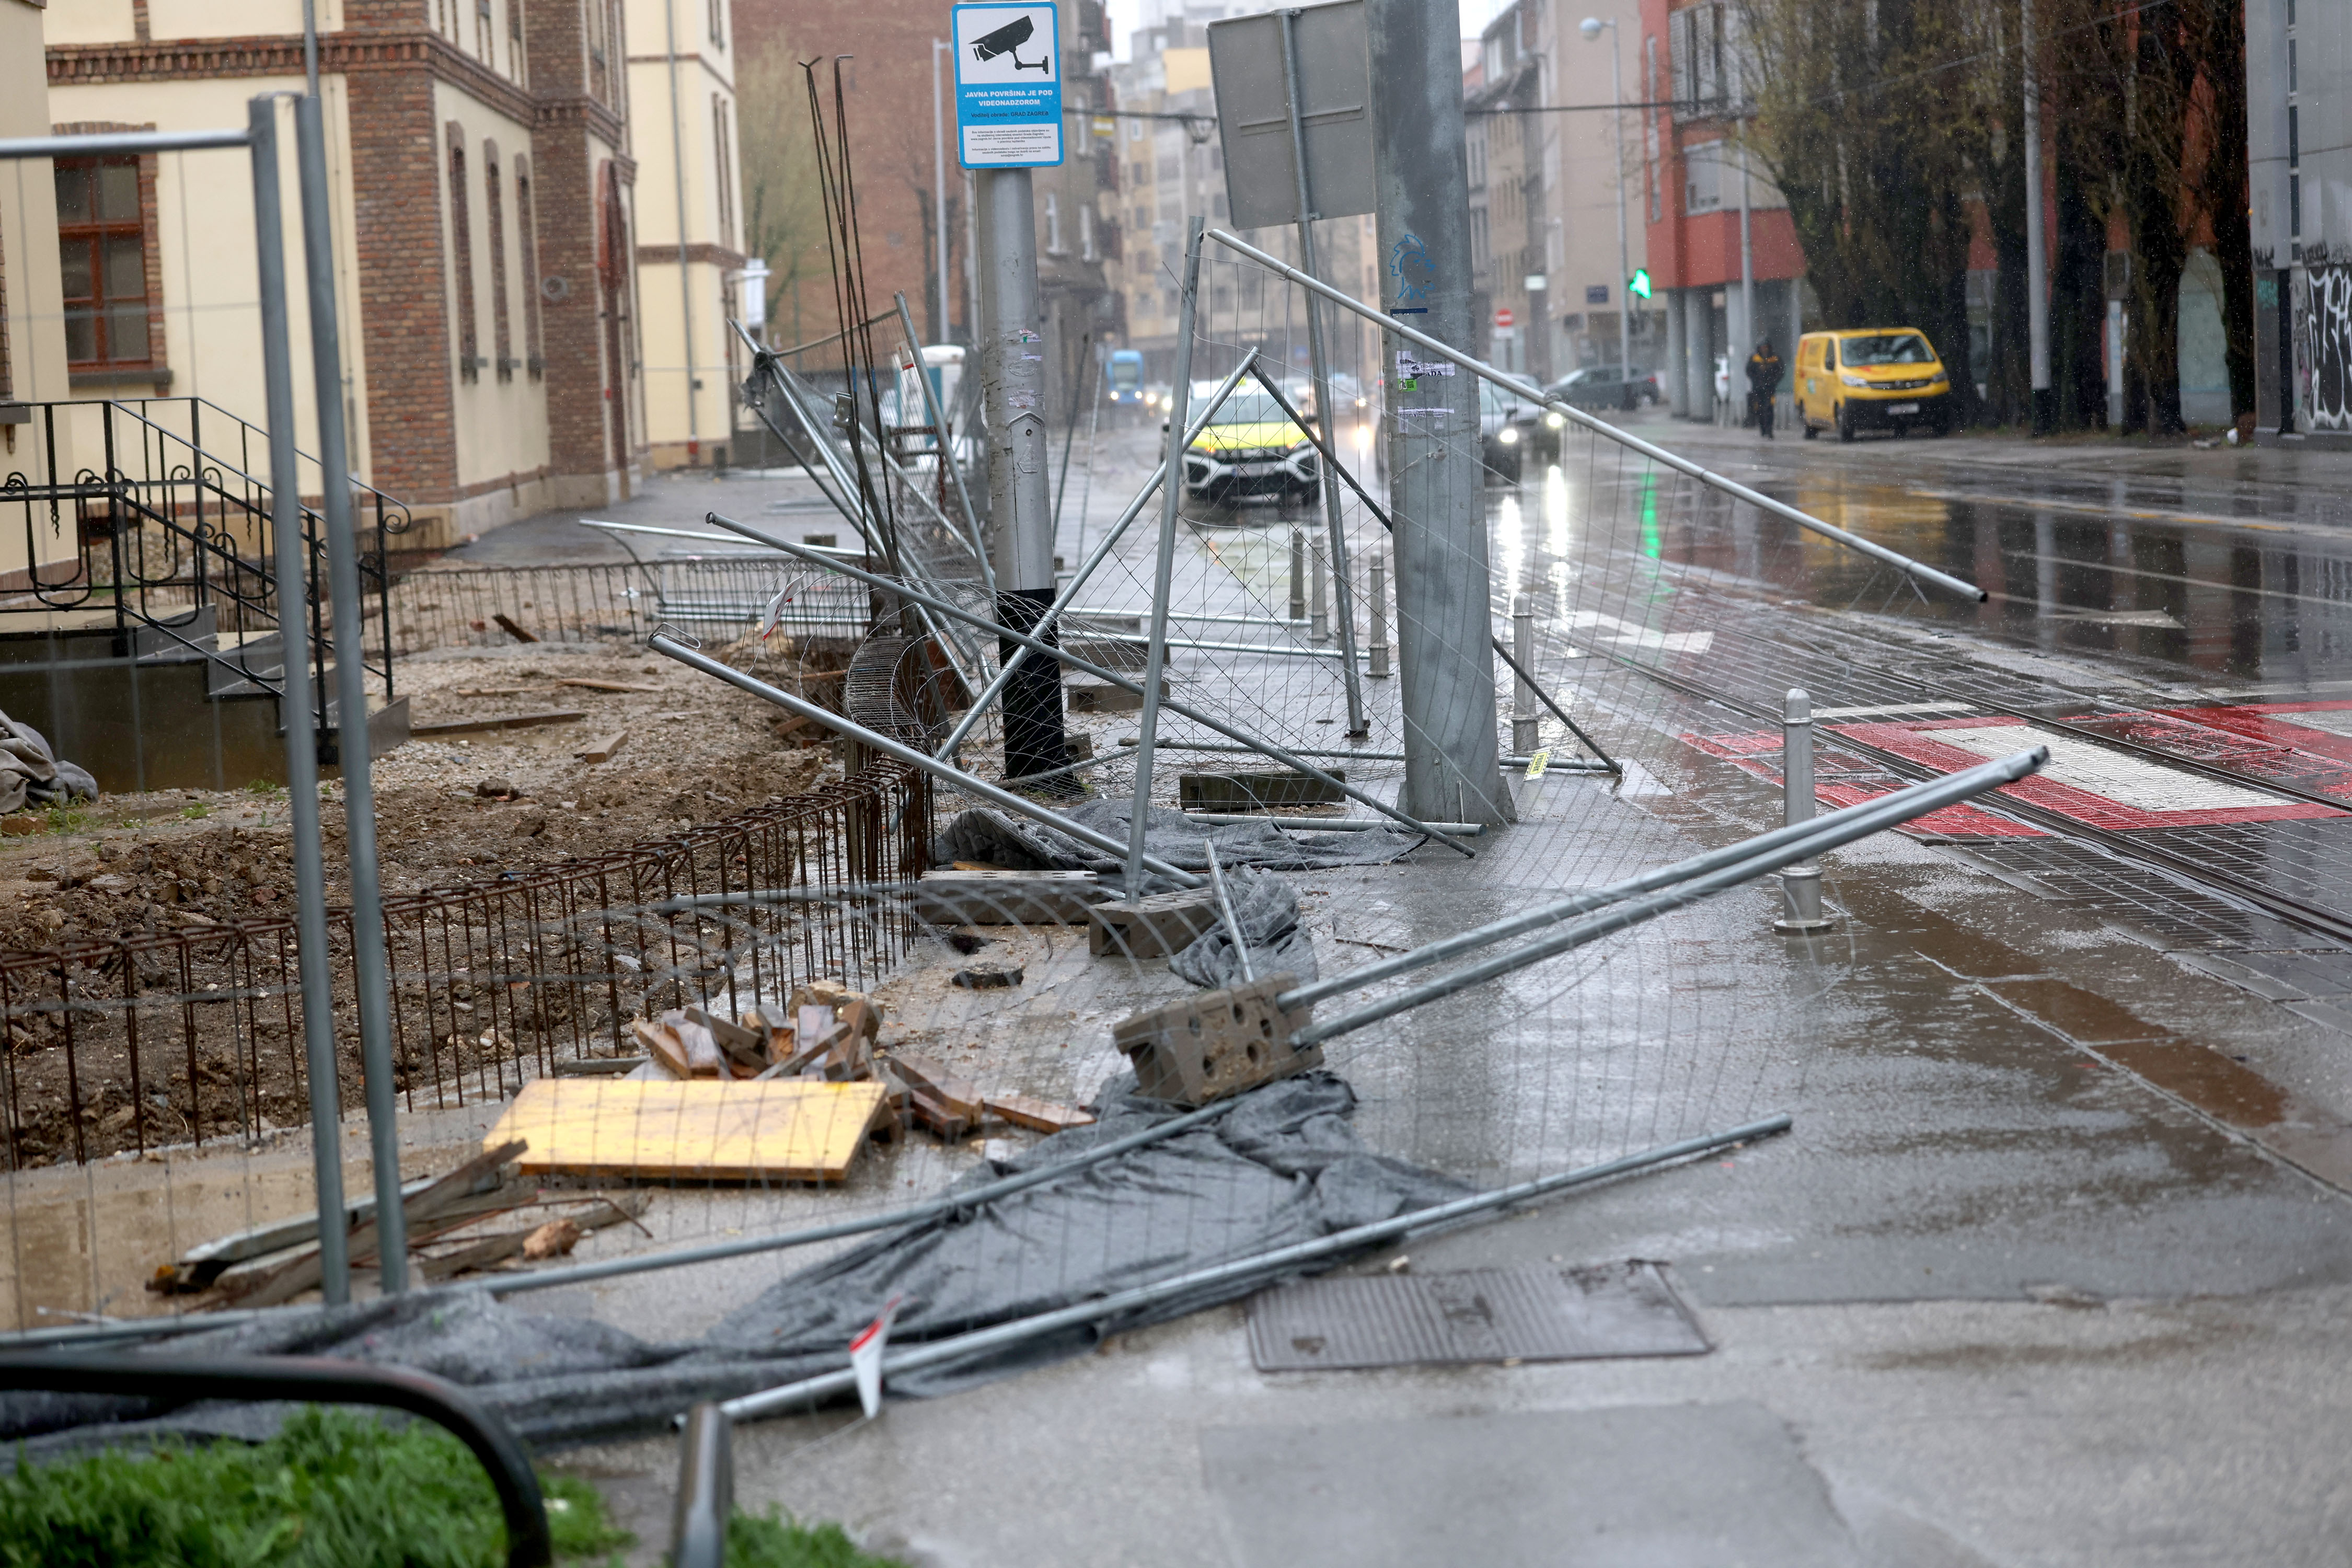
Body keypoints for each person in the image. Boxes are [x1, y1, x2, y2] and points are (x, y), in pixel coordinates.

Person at [1746, 339, 1784, 439]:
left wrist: (1773, 381)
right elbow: (1749, 371)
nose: (1764, 350)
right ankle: (1763, 429)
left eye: (1766, 348)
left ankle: (1769, 430)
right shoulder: (1755, 358)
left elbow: (1780, 371)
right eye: (1762, 348)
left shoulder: (1775, 358)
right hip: (1758, 389)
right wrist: (1756, 381)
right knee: (1760, 410)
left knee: (1770, 409)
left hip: (1770, 389)